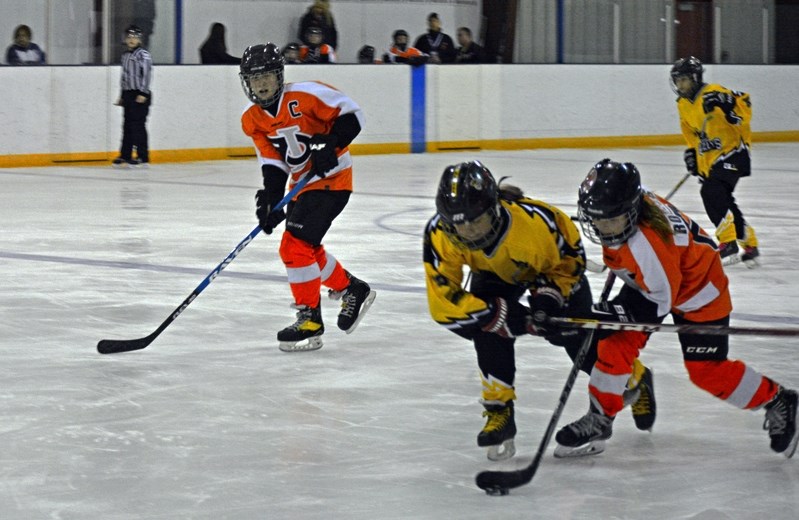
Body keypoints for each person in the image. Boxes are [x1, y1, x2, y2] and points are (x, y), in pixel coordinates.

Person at [555, 159, 798, 459]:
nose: (602, 228)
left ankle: (778, 400)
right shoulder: (633, 212)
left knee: (706, 371)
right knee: (615, 345)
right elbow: (647, 279)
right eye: (597, 220)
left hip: (700, 293)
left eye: (611, 220)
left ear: (630, 210)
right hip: (659, 279)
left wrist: (610, 316)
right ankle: (601, 417)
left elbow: (658, 302)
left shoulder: (648, 244)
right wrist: (613, 316)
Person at [423, 161, 656, 461]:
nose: (466, 232)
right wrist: (503, 317)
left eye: (474, 221)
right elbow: (443, 302)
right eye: (458, 224)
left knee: (574, 340)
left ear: (493, 209)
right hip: (493, 275)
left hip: (549, 269)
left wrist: (549, 298)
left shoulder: (537, 224)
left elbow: (570, 260)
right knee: (487, 329)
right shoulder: (441, 233)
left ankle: (635, 377)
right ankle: (500, 412)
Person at [238, 43, 375, 352]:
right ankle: (351, 288)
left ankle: (310, 318)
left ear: (279, 76)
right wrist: (270, 199)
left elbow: (354, 114)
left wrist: (331, 142)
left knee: (293, 245)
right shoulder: (252, 121)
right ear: (246, 82)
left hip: (334, 180)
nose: (262, 85)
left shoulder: (307, 94)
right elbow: (273, 163)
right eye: (254, 78)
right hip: (302, 185)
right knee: (306, 248)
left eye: (268, 77)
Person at [670, 56, 759, 267]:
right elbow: (693, 136)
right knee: (722, 197)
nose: (680, 85)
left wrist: (727, 105)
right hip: (712, 160)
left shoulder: (713, 91)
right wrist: (694, 158)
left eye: (684, 79)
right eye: (677, 80)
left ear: (695, 77)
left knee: (711, 192)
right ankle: (750, 243)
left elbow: (743, 104)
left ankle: (728, 242)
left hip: (734, 152)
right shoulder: (682, 104)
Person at [113, 25, 152, 168]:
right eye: (129, 37)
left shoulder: (143, 54)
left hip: (140, 94)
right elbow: (124, 76)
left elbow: (147, 74)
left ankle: (143, 156)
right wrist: (122, 95)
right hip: (129, 94)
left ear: (140, 40)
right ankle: (125, 154)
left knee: (138, 126)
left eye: (134, 37)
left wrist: (143, 93)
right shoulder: (125, 56)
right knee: (127, 126)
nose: (131, 40)